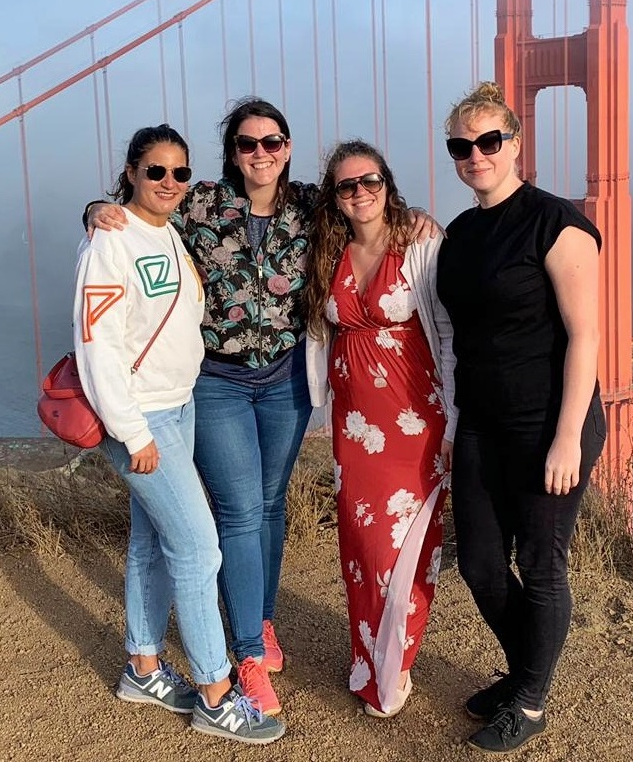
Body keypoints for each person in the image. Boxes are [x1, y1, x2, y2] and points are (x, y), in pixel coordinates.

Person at [86, 98, 436, 715]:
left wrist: (418, 223)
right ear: (232, 153)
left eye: (272, 143)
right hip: (217, 383)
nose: (261, 154)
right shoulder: (198, 201)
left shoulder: (310, 205)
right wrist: (96, 210)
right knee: (242, 512)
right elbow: (140, 213)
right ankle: (246, 652)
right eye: (247, 145)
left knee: (271, 506)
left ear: (289, 148)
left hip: (285, 383)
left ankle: (263, 619)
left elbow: (372, 214)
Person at [73, 124, 284, 745]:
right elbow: (98, 344)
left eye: (180, 173)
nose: (170, 183)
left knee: (153, 543)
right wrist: (132, 431)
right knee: (199, 548)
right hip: (144, 418)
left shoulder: (169, 233)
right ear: (132, 172)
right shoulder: (110, 242)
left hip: (180, 405)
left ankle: (142, 665)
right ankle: (217, 694)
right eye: (156, 171)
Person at [435, 82, 607, 754]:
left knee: (540, 563)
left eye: (488, 141)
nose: (475, 154)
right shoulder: (458, 232)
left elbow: (585, 337)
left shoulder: (555, 223)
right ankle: (527, 667)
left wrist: (567, 436)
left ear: (514, 145)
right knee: (479, 564)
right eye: (460, 145)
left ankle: (529, 698)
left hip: (548, 422)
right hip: (481, 419)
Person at [304, 140, 456, 718]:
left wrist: (454, 421)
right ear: (335, 199)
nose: (360, 193)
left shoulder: (419, 243)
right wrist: (98, 209)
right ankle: (366, 654)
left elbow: (446, 333)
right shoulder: (326, 249)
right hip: (353, 425)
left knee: (408, 548)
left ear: (388, 184)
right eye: (347, 186)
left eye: (370, 181)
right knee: (363, 547)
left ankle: (395, 665)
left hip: (416, 419)